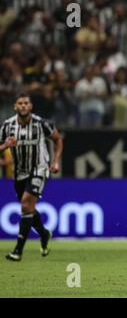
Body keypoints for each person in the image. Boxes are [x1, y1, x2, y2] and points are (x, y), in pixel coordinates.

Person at [0, 93, 63, 261]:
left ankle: (18, 251)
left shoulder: (41, 124)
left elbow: (57, 140)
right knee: (28, 209)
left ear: (31, 106)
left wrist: (55, 162)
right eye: (19, 103)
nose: (23, 106)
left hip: (39, 168)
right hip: (18, 172)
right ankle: (44, 233)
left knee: (26, 204)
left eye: (26, 103)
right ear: (15, 106)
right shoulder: (7, 126)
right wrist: (5, 145)